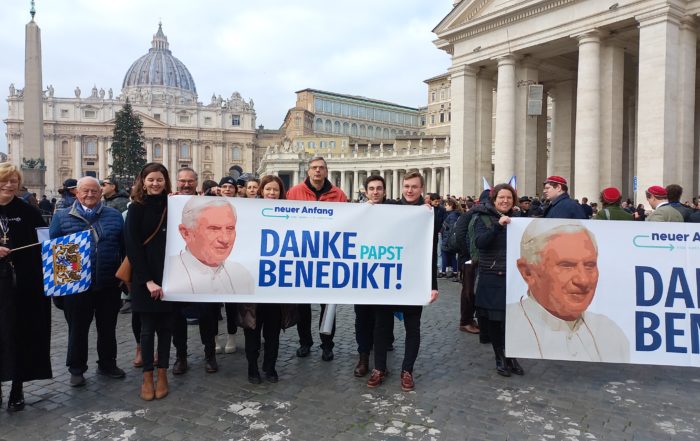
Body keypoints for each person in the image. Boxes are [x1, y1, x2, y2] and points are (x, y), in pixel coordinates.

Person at [509, 219, 629, 362]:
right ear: (528, 272)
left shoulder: (611, 333)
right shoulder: (510, 324)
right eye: (567, 265)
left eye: (589, 265)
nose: (583, 280)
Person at [49, 177, 126, 387]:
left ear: (101, 193)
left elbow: (124, 247)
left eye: (94, 191)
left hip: (108, 282)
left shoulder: (114, 215)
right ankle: (76, 369)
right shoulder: (61, 216)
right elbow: (54, 252)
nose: (90, 195)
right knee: (77, 329)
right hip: (75, 285)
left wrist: (123, 278)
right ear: (77, 193)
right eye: (85, 191)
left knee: (107, 327)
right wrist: (58, 289)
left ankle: (108, 363)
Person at [367, 170, 439, 391]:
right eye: (407, 186)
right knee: (381, 326)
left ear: (421, 189)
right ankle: (379, 367)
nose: (410, 190)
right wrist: (367, 208)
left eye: (414, 187)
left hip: (414, 278)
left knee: (412, 327)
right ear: (402, 187)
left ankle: (407, 370)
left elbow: (431, 251)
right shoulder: (389, 208)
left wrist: (433, 285)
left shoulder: (429, 214)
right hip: (388, 276)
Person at [0, 162, 51, 412]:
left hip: (24, 284)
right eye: (4, 180)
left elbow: (45, 243)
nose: (9, 185)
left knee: (20, 333)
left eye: (14, 181)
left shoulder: (29, 211)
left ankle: (17, 387)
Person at [237, 175, 298, 384]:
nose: (272, 193)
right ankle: (252, 367)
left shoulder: (290, 216)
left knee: (273, 332)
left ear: (281, 193)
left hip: (276, 285)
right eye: (268, 189)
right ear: (261, 191)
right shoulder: (247, 213)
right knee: (252, 330)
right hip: (252, 284)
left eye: (276, 190)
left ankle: (270, 366)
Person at [287, 156, 348, 361]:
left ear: (326, 171)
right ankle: (305, 342)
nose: (317, 171)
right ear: (308, 171)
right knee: (302, 306)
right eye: (314, 167)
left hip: (328, 257)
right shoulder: (294, 192)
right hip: (302, 256)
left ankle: (327, 344)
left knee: (328, 305)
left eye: (321, 168)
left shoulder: (339, 195)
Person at [125, 163, 173, 401]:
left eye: (159, 180)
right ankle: (147, 376)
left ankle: (162, 373)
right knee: (146, 330)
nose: (155, 184)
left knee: (166, 328)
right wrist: (148, 281)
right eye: (151, 180)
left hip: (170, 274)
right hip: (145, 276)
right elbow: (132, 247)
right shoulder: (136, 208)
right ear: (143, 182)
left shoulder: (173, 205)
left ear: (165, 182)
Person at [169, 167, 222, 375]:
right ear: (177, 182)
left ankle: (210, 355)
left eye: (190, 181)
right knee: (177, 317)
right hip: (177, 266)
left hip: (204, 266)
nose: (186, 184)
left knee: (208, 315)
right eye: (182, 181)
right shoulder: (169, 203)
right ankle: (180, 356)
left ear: (196, 182)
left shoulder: (207, 203)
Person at [471, 183, 523, 376]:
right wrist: (497, 226)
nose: (505, 201)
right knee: (495, 320)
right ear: (494, 199)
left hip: (513, 277)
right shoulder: (482, 218)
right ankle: (500, 356)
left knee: (511, 320)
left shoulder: (518, 219)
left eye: (509, 198)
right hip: (492, 275)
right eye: (501, 197)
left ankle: (511, 355)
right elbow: (480, 243)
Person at [165, 198, 254, 295]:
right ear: (186, 233)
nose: (225, 239)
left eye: (230, 228)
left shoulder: (242, 274)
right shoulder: (167, 271)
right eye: (214, 229)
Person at [440, 198, 462, 280]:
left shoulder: (452, 216)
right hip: (449, 238)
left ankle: (444, 272)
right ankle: (454, 272)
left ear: (451, 206)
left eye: (446, 205)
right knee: (452, 255)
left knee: (445, 255)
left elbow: (451, 229)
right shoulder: (454, 214)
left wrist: (447, 241)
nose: (445, 207)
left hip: (448, 239)